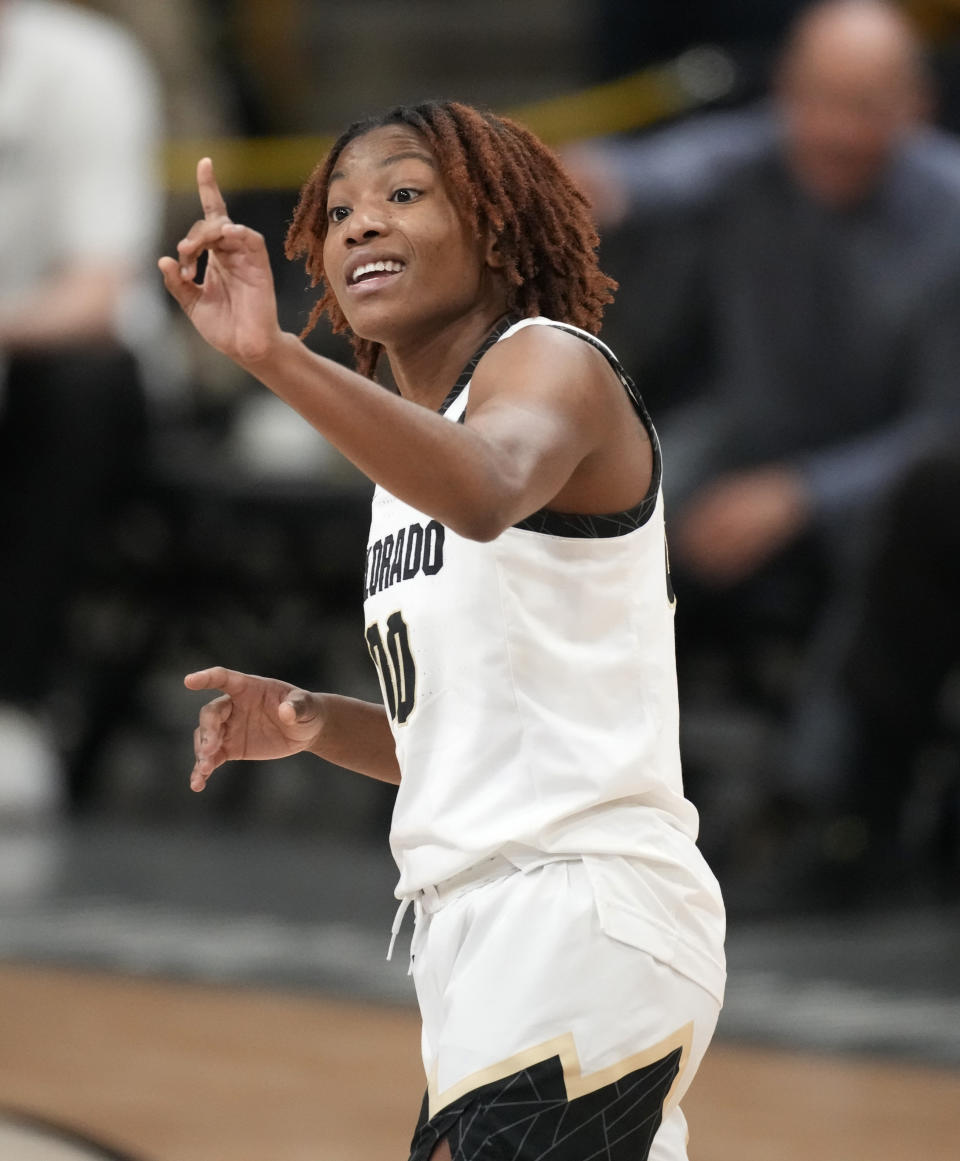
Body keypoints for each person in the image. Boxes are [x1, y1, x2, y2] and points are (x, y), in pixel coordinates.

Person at [159, 101, 726, 1161]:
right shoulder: (411, 467)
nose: (361, 224)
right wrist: (316, 719)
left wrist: (272, 356)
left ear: (498, 231)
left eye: (403, 195)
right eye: (337, 213)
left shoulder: (554, 361)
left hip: (578, 906)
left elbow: (488, 487)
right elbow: (481, 730)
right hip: (479, 928)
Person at [564, 0, 960, 850]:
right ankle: (562, 773)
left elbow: (945, 431)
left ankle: (825, 809)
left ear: (915, 108)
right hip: (749, 438)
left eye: (866, 108)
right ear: (785, 94)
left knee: (894, 542)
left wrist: (798, 496)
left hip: (893, 477)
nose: (836, 132)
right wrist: (572, 187)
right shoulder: (749, 162)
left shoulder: (952, 214)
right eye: (818, 101)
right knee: (593, 509)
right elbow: (647, 173)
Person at [0, 0, 169, 814]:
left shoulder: (86, 67)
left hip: (77, 377)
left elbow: (97, 291)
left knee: (73, 388)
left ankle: (14, 705)